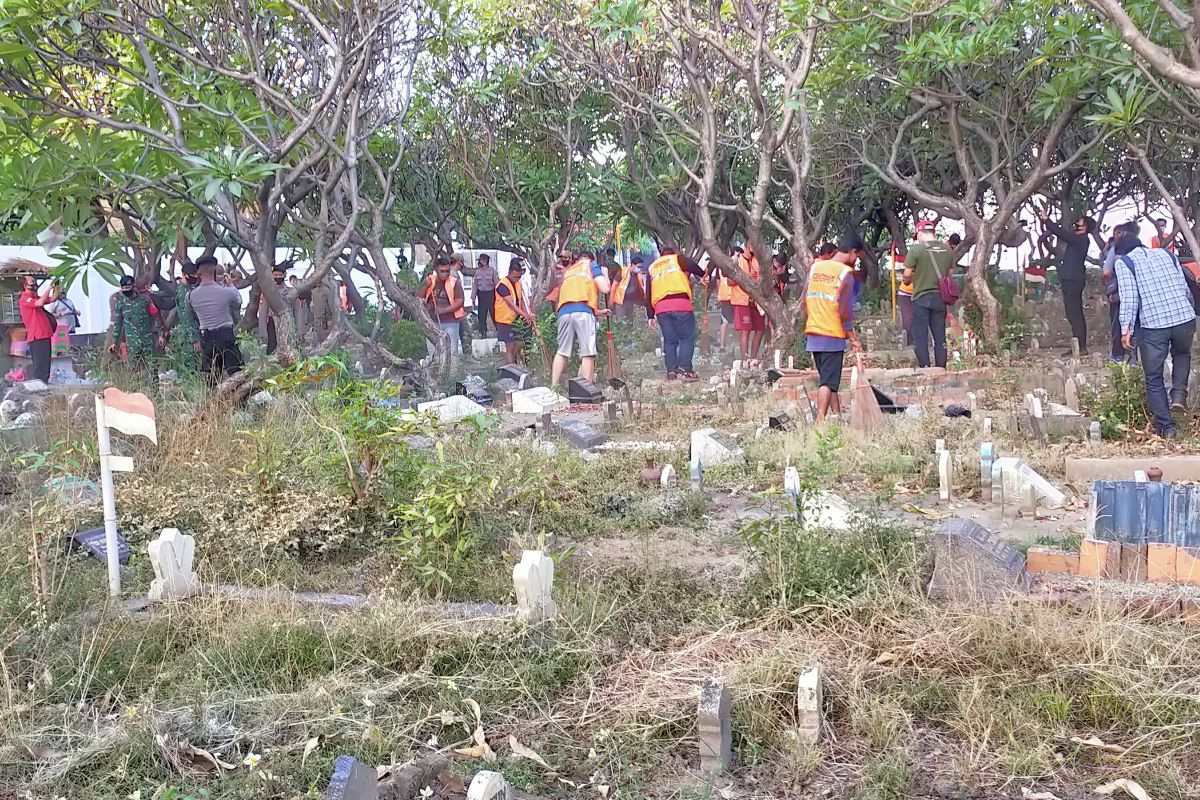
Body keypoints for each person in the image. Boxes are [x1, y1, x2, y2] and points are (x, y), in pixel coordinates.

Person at [1113, 228, 1197, 438]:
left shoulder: (1124, 263)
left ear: (1120, 253)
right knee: (1182, 354)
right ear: (1140, 243)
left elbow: (1130, 299)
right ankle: (1178, 395)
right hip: (1184, 318)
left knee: (1153, 378)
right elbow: (1184, 287)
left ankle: (1167, 428)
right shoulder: (1167, 254)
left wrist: (1126, 329)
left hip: (1154, 325)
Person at [804, 235, 864, 422]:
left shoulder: (816, 267)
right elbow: (845, 312)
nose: (856, 261)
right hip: (832, 335)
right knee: (827, 383)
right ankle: (820, 423)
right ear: (853, 251)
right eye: (858, 257)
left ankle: (837, 416)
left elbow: (807, 298)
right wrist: (853, 338)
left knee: (830, 380)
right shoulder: (845, 274)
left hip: (814, 333)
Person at [549, 248, 610, 388]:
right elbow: (605, 288)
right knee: (587, 352)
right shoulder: (591, 266)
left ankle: (554, 387)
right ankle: (587, 389)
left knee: (562, 351)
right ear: (591, 258)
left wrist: (597, 311)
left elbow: (574, 298)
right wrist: (605, 274)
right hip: (583, 313)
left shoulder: (570, 271)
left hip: (564, 313)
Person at [644, 244, 705, 382]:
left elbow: (648, 293)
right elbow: (693, 266)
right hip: (681, 304)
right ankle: (684, 369)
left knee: (670, 341)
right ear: (672, 253)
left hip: (661, 309)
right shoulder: (677, 259)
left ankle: (671, 371)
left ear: (661, 255)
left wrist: (650, 315)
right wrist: (702, 275)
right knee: (686, 337)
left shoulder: (652, 267)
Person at [1039, 207, 1095, 355]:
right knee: (1075, 313)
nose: (1077, 223)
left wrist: (1047, 220)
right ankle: (1079, 345)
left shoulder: (1081, 239)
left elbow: (1061, 234)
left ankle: (1080, 347)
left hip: (1073, 279)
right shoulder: (1081, 239)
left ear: (1085, 227)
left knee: (1074, 313)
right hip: (1072, 278)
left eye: (1080, 222)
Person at [903, 219, 954, 368]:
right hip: (940, 298)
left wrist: (908, 280)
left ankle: (925, 367)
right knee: (940, 336)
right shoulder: (947, 250)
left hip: (921, 297)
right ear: (933, 233)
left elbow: (907, 274)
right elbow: (949, 273)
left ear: (919, 233)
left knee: (921, 335)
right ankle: (941, 367)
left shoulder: (916, 250)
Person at [188, 255, 245, 380]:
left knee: (211, 376)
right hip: (226, 335)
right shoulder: (226, 292)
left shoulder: (191, 295)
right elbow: (238, 303)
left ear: (198, 272)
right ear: (214, 270)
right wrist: (231, 285)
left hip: (207, 337)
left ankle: (211, 398)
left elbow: (191, 314)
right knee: (237, 374)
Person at [108, 275, 164, 385]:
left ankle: (154, 392)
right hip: (132, 343)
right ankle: (134, 392)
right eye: (123, 288)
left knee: (152, 368)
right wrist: (115, 342)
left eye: (128, 288)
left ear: (133, 286)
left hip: (147, 340)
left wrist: (160, 334)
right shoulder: (120, 304)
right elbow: (118, 324)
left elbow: (156, 316)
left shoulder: (145, 300)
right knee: (132, 370)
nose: (125, 290)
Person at [1102, 222, 1139, 363]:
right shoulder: (1142, 249)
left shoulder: (1116, 249)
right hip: (1139, 294)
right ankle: (1134, 357)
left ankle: (1118, 357)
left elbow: (1106, 271)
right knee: (1137, 324)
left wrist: (1110, 280)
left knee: (1117, 325)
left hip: (1118, 294)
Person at [422, 255, 466, 359]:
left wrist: (443, 310)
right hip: (432, 322)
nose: (445, 274)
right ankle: (435, 374)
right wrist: (424, 287)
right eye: (442, 271)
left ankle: (453, 375)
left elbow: (460, 301)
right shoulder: (429, 281)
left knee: (453, 351)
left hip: (451, 322)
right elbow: (418, 297)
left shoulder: (454, 282)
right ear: (436, 269)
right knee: (433, 352)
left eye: (447, 271)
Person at [19, 274, 59, 383]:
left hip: (45, 334)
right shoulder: (25, 299)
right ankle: (37, 386)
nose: (34, 285)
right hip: (37, 337)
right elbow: (40, 302)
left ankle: (44, 384)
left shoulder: (35, 297)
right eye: (32, 283)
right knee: (39, 365)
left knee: (46, 364)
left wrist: (57, 286)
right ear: (24, 285)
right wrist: (49, 288)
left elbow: (53, 298)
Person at [729, 247, 766, 364]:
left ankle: (753, 359)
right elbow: (730, 281)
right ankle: (745, 360)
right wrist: (747, 277)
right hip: (742, 301)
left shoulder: (757, 260)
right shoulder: (737, 260)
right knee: (745, 331)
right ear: (749, 245)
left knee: (760, 329)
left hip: (756, 301)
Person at [495, 259, 535, 365]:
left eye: (519, 277)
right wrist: (525, 315)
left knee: (520, 342)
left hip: (516, 319)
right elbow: (511, 305)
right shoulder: (502, 285)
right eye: (515, 277)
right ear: (509, 273)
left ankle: (514, 363)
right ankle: (510, 371)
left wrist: (528, 314)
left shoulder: (518, 283)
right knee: (510, 347)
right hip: (505, 320)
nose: (517, 279)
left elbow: (521, 301)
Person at [165, 261, 202, 374]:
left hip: (189, 334)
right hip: (189, 336)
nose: (196, 277)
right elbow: (187, 317)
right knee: (190, 370)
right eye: (194, 275)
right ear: (186, 275)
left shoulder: (188, 290)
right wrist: (194, 340)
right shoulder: (183, 292)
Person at [469, 253, 498, 337]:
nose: (480, 262)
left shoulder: (492, 271)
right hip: (481, 295)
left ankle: (498, 330)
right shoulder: (477, 272)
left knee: (494, 313)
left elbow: (496, 284)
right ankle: (483, 332)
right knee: (481, 314)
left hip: (491, 294)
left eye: (481, 260)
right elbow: (475, 285)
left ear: (485, 261)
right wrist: (473, 299)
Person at [610, 254, 645, 319]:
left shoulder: (638, 276)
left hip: (631, 302)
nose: (639, 269)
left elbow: (642, 288)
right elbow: (614, 285)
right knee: (620, 321)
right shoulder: (623, 271)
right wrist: (611, 299)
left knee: (630, 321)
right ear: (632, 265)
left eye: (641, 267)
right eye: (638, 266)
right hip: (620, 301)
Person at [715, 262, 734, 350]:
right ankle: (727, 344)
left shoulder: (719, 268)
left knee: (724, 321)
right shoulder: (733, 267)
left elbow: (718, 283)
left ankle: (723, 344)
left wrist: (718, 297)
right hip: (734, 296)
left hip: (724, 297)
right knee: (729, 321)